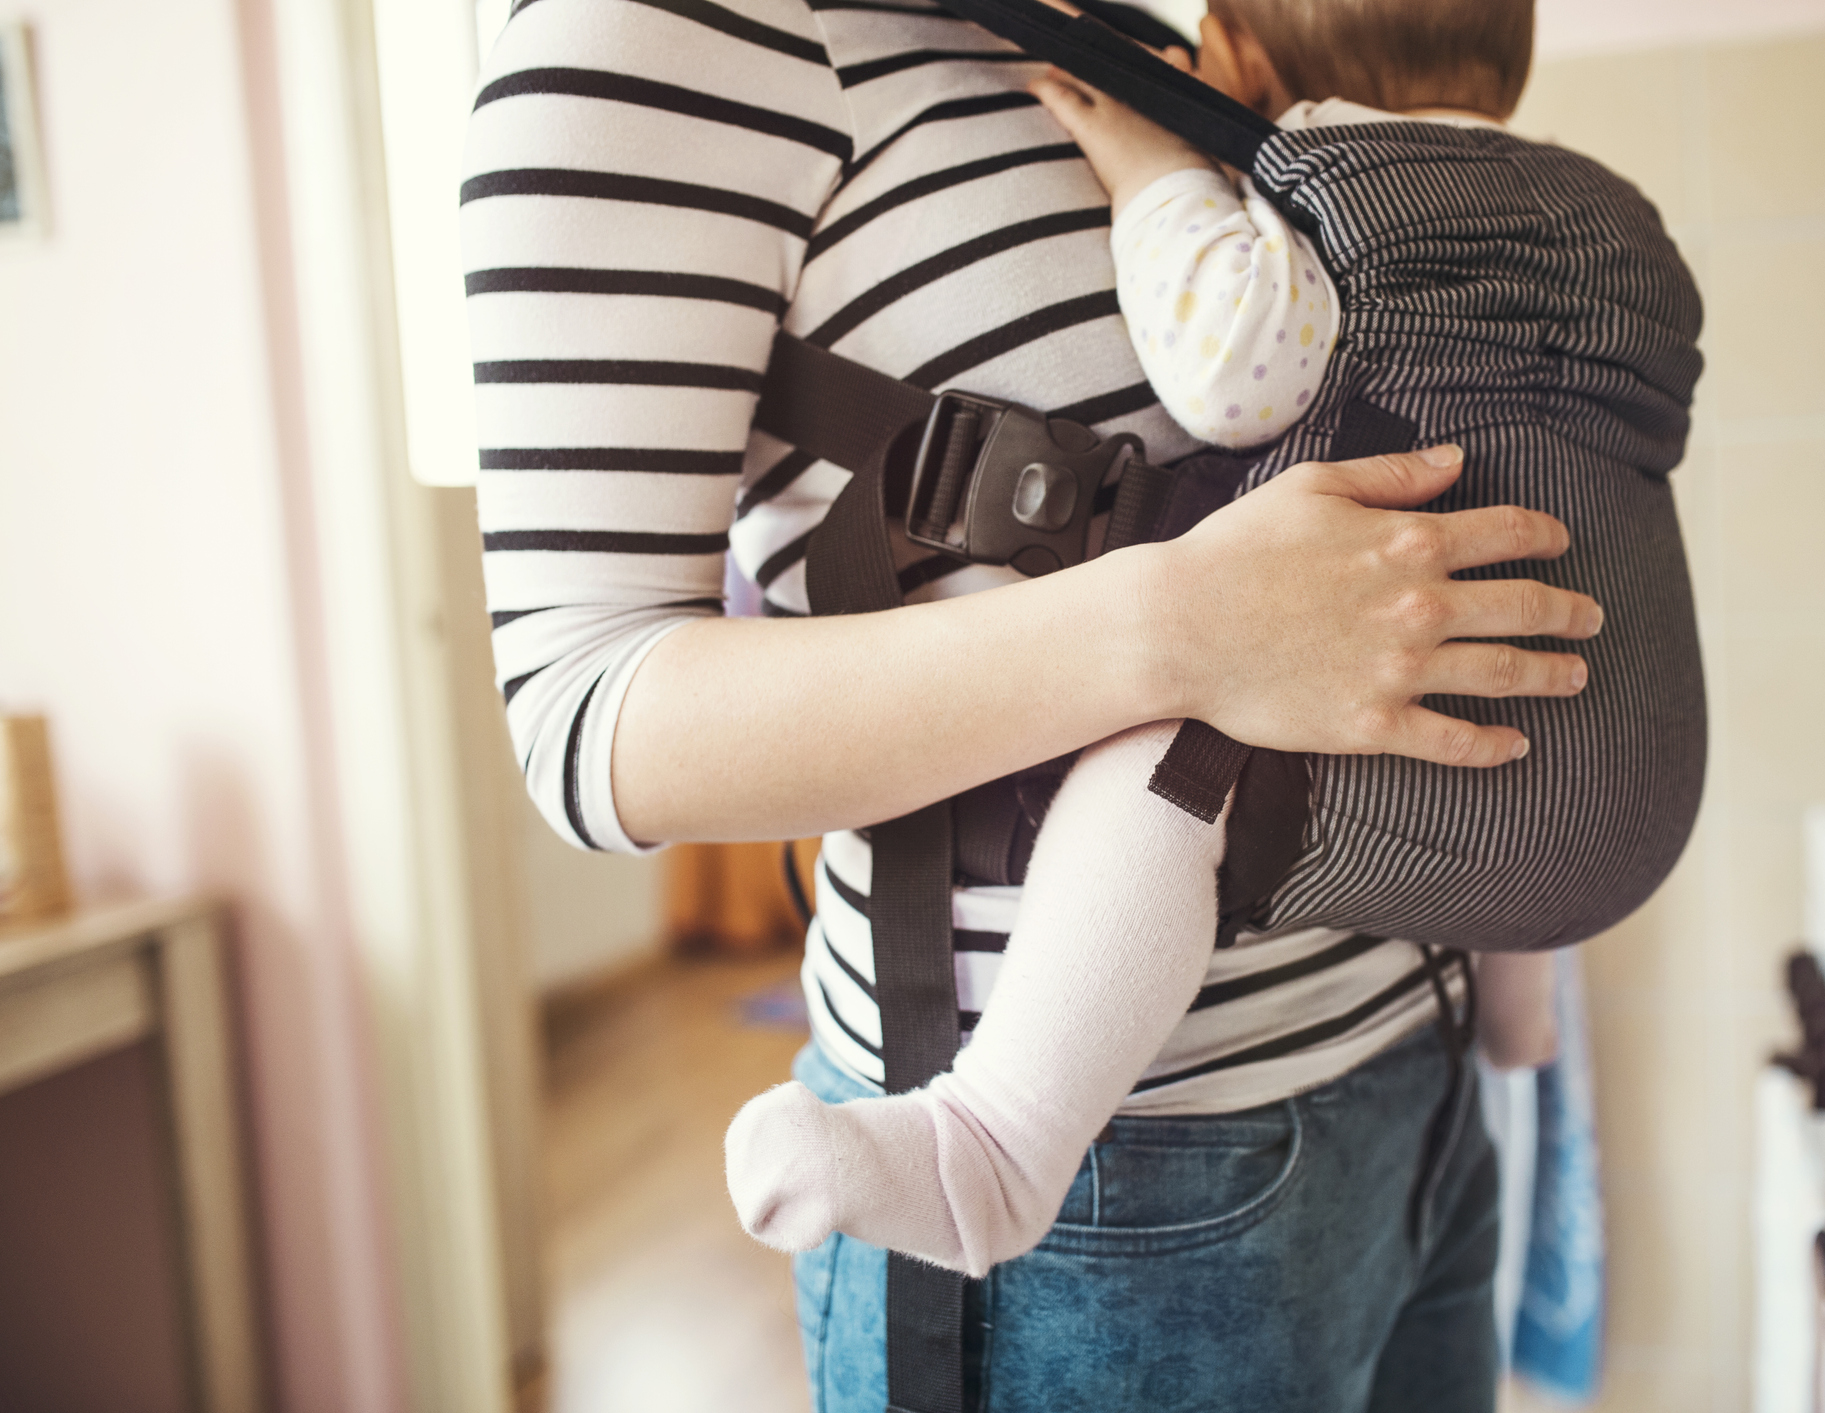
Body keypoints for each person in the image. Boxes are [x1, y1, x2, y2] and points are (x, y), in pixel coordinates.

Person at [462, 0, 1613, 1406]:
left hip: (1417, 1086)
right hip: (1103, 1191)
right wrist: (1183, 627)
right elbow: (586, 721)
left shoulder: (1118, 36)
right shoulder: (662, 39)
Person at [724, 0, 1700, 1281]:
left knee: (1157, 755)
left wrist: (1156, 169)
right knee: (1538, 616)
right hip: (1629, 798)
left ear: (1238, 52)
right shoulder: (1602, 219)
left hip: (1376, 799)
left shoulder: (1347, 193)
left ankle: (992, 1155)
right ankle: (1513, 1006)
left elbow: (1232, 371)